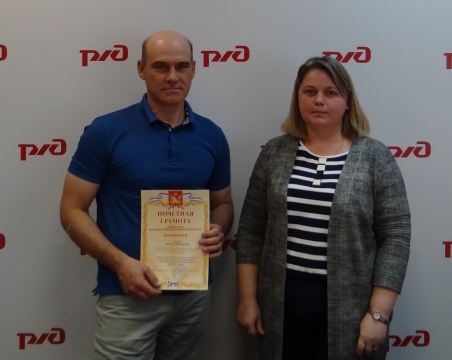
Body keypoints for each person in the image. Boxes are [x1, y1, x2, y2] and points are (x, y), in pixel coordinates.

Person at [60, 30, 234, 360]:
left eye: (182, 66)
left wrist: (219, 228)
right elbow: (71, 210)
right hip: (127, 295)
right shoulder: (105, 131)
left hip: (191, 295)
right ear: (141, 69)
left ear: (194, 69)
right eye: (160, 66)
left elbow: (223, 203)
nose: (172, 76)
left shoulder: (212, 136)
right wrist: (120, 264)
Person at [235, 56, 411, 359]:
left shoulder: (375, 157)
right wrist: (248, 299)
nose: (319, 100)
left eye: (330, 92)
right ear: (298, 98)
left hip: (353, 313)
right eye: (310, 91)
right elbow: (251, 230)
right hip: (279, 310)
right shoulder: (274, 152)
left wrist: (379, 315)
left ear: (347, 101)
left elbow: (395, 238)